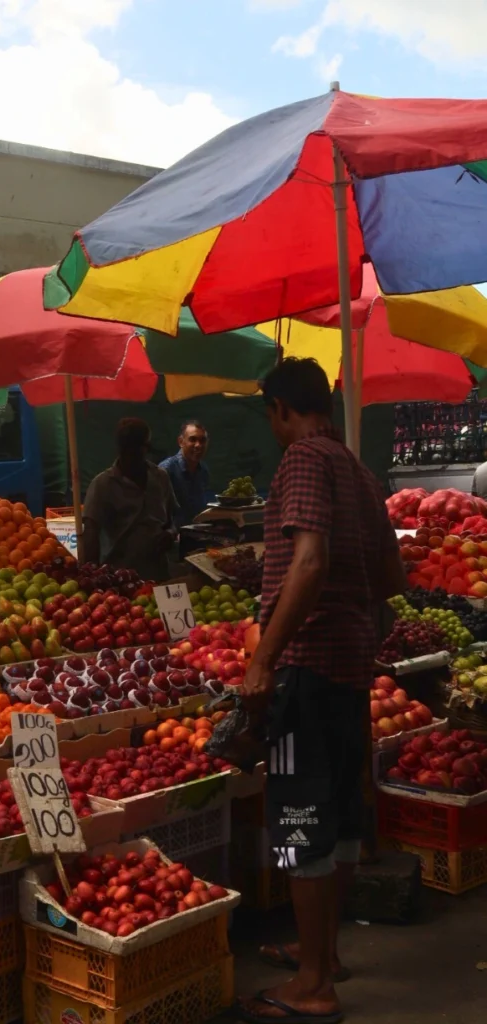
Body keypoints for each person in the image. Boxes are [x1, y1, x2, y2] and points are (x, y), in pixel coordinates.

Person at [235, 358, 406, 1024]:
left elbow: (308, 558)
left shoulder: (303, 459)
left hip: (304, 669)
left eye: (269, 416)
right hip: (349, 667)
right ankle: (323, 955)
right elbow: (391, 575)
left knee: (296, 824)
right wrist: (344, 608)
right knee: (334, 821)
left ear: (279, 408)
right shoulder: (358, 473)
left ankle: (311, 986)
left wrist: (264, 659)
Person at [82, 417, 178, 582]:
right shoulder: (103, 484)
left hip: (159, 574)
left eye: (137, 448)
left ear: (146, 448)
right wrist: (92, 577)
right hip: (120, 579)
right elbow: (90, 533)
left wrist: (170, 534)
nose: (131, 455)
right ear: (119, 448)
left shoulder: (160, 477)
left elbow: (172, 520)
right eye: (127, 449)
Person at [159, 420, 211, 527]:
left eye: (203, 440)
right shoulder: (166, 470)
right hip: (173, 538)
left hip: (199, 534)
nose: (198, 445)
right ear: (181, 442)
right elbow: (156, 511)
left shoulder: (203, 470)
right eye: (192, 439)